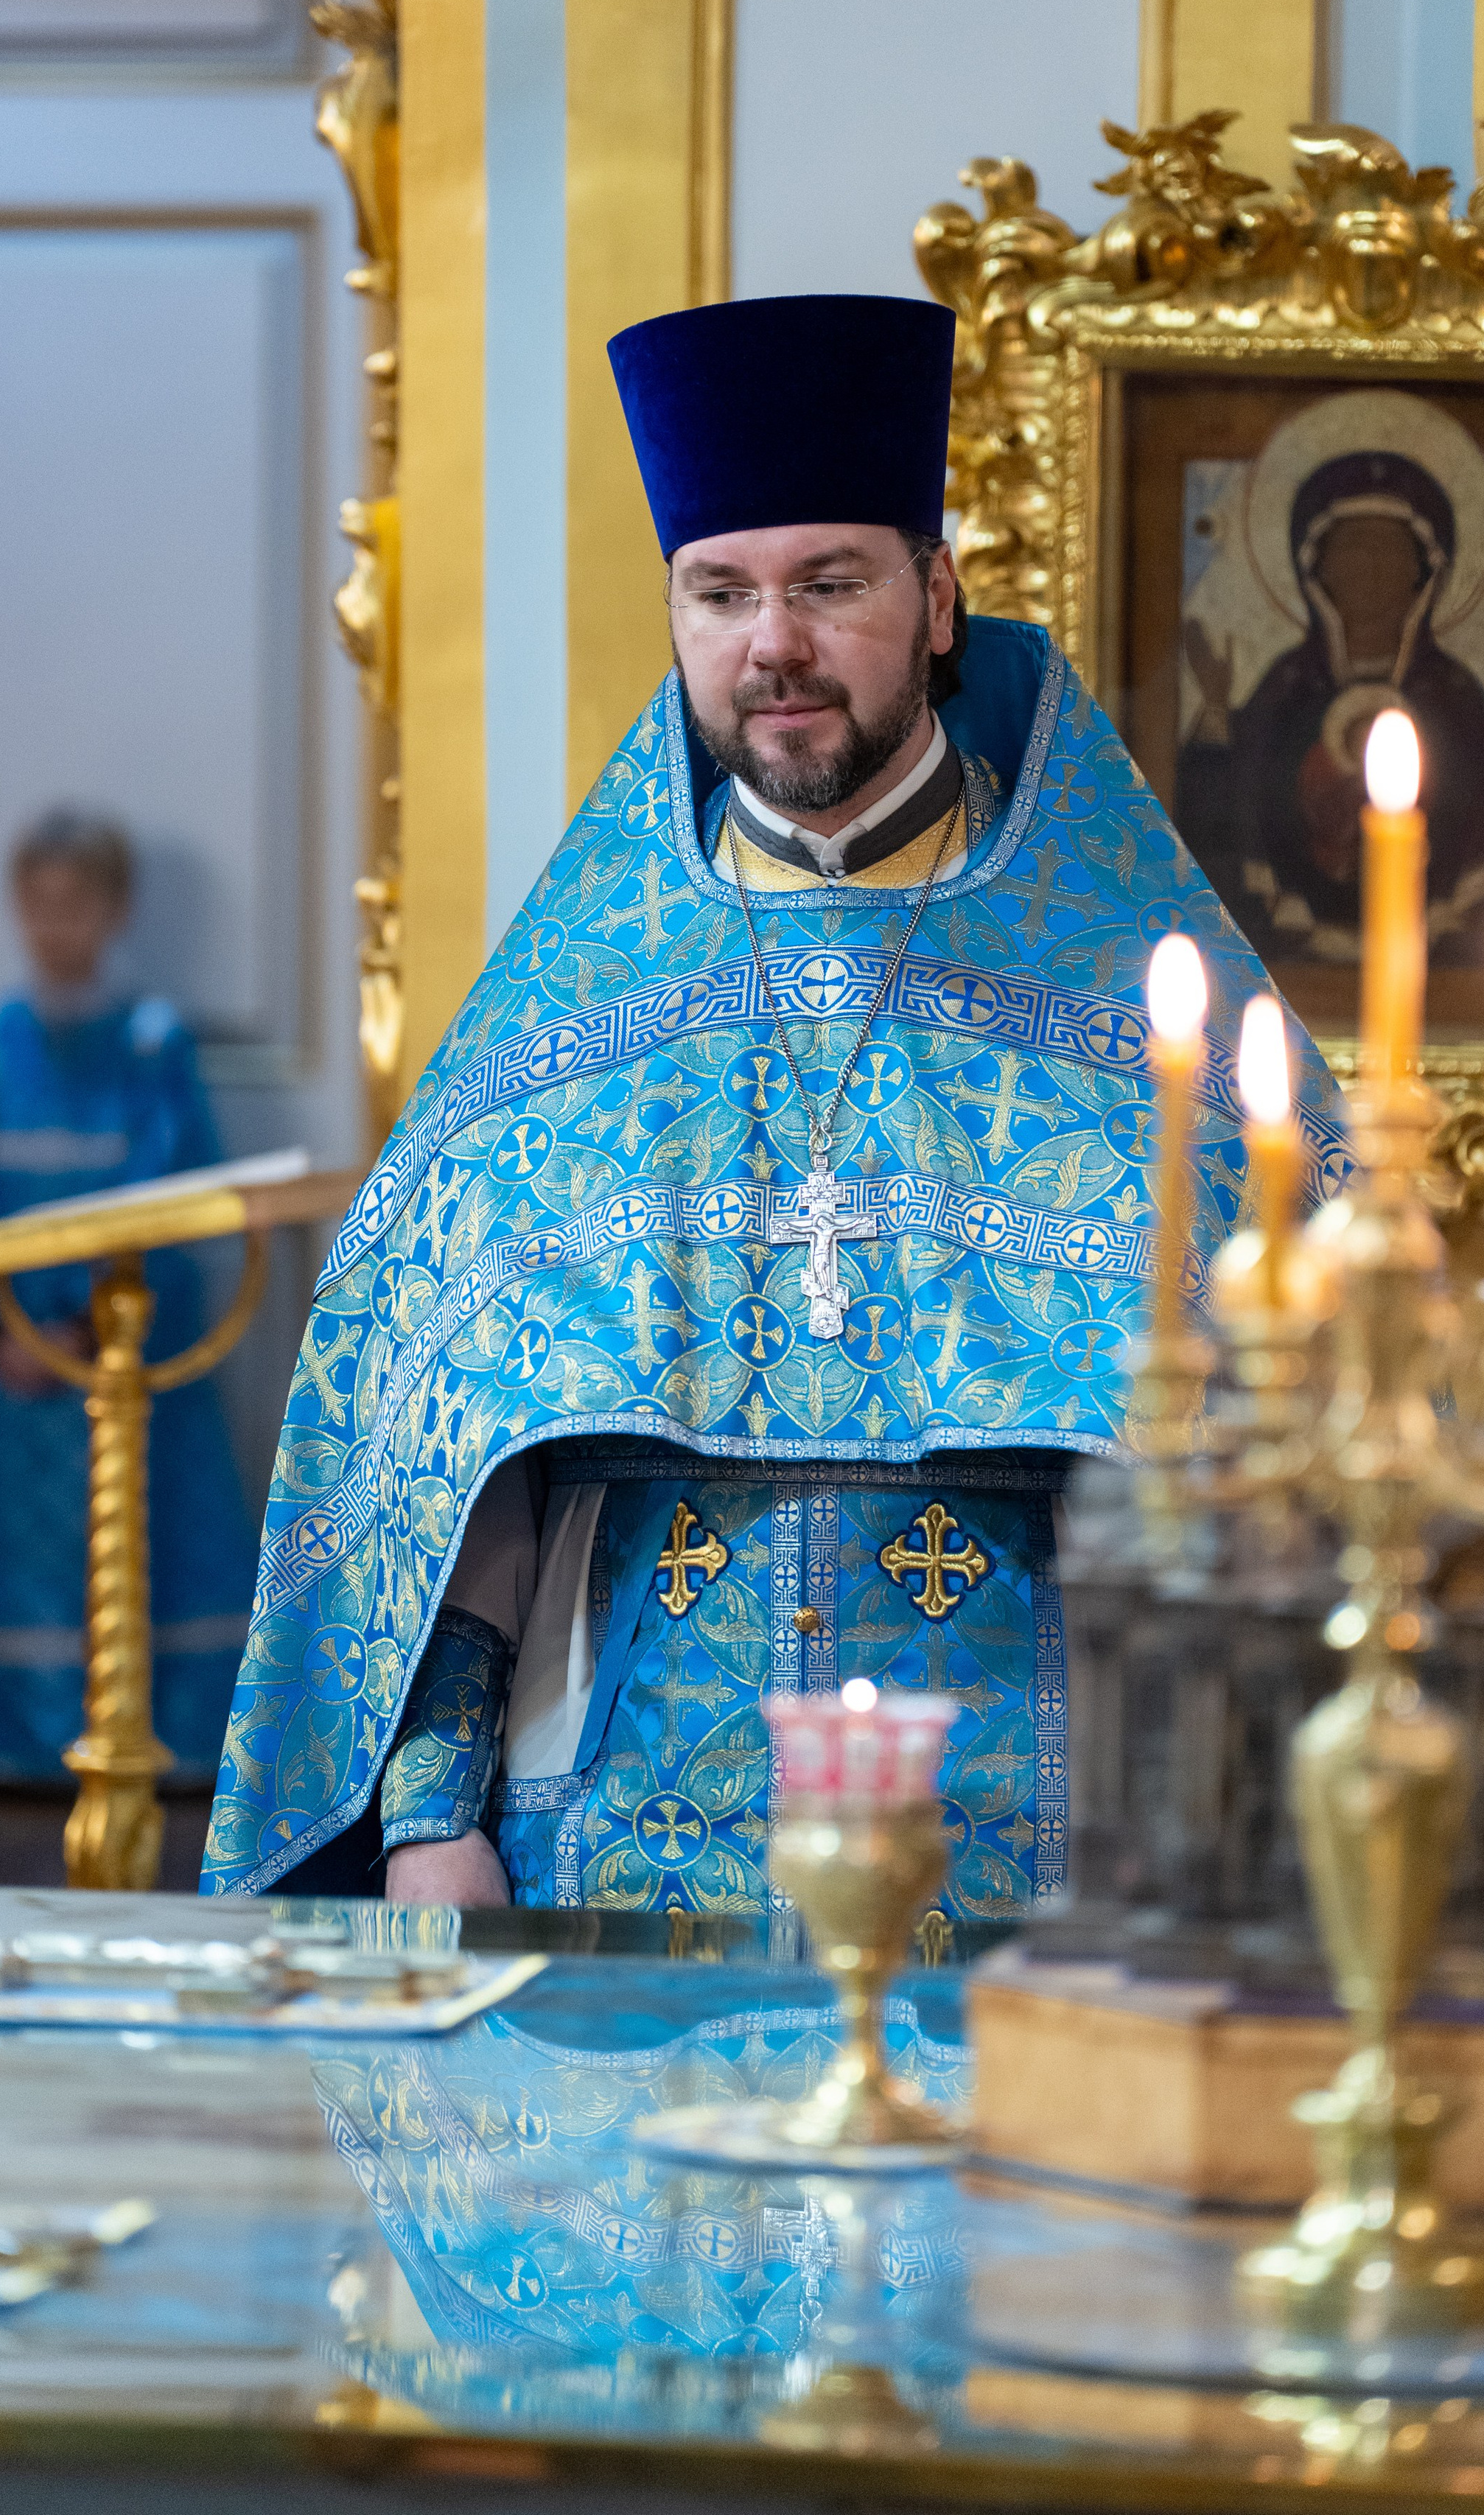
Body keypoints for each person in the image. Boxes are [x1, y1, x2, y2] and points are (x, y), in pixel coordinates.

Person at [203, 295, 1348, 1915]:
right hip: (614, 1835)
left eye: (829, 584)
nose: (773, 644)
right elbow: (456, 1456)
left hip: (1048, 1839)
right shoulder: (576, 1003)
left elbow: (1300, 1433)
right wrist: (429, 1817)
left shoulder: (1137, 995)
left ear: (934, 597)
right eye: (721, 592)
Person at [0, 809, 260, 1782]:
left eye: (76, 905)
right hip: (6, 1373)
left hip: (120, 1356)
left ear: (115, 909)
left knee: (144, 1540)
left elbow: (171, 1185)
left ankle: (159, 1744)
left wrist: (91, 1321)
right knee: (6, 1550)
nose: (56, 926)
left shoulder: (149, 1043)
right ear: (16, 907)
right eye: (39, 905)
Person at [1176, 447, 1484, 970]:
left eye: (1389, 549)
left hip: (1441, 951)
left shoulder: (1452, 690)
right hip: (1289, 957)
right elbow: (1218, 817)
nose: (1370, 566)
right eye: (1352, 547)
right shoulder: (1285, 687)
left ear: (1422, 570)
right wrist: (1217, 713)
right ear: (1318, 567)